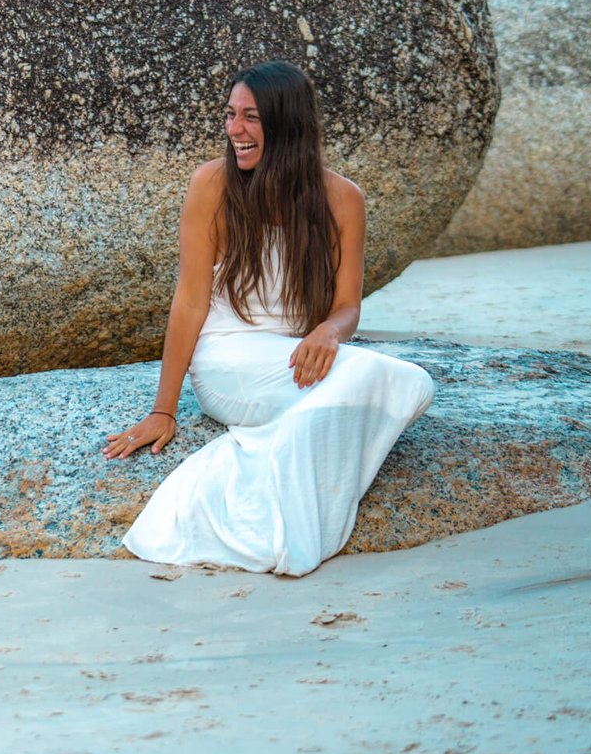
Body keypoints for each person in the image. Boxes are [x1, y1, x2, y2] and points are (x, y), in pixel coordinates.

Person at [105, 61, 434, 577]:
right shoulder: (212, 184)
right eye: (231, 115)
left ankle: (275, 451)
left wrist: (327, 330)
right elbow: (189, 301)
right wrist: (164, 409)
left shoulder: (343, 199)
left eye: (251, 117)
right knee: (367, 384)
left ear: (287, 123)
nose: (234, 130)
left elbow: (348, 305)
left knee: (412, 381)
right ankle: (286, 513)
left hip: (294, 358)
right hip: (228, 360)